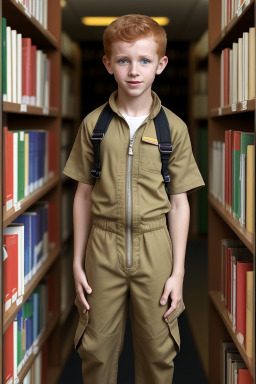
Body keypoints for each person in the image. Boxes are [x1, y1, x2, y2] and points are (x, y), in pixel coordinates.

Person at [63, 14, 205, 384]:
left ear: (161, 65)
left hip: (155, 245)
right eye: (123, 60)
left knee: (159, 350)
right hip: (103, 246)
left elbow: (179, 203)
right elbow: (82, 195)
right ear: (108, 64)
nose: (134, 71)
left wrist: (178, 271)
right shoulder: (94, 125)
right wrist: (77, 262)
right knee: (96, 348)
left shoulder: (173, 128)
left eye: (144, 60)